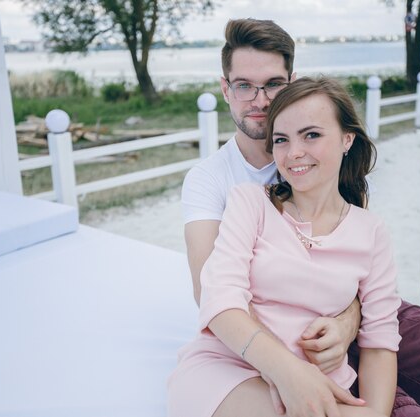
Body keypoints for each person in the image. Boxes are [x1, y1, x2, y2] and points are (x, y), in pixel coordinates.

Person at [179, 18, 420, 417]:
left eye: (273, 84)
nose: (260, 100)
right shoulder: (217, 183)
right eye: (244, 85)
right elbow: (211, 292)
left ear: (291, 82)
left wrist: (347, 323)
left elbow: (358, 263)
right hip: (271, 341)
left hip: (357, 315)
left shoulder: (331, 164)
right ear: (225, 88)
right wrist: (290, 366)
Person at [168, 76, 401, 417]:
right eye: (281, 139)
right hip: (228, 373)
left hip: (322, 383)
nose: (294, 153)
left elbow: (380, 340)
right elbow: (219, 299)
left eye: (312, 135)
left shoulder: (371, 231)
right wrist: (289, 372)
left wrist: (376, 413)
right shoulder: (250, 203)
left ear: (347, 138)